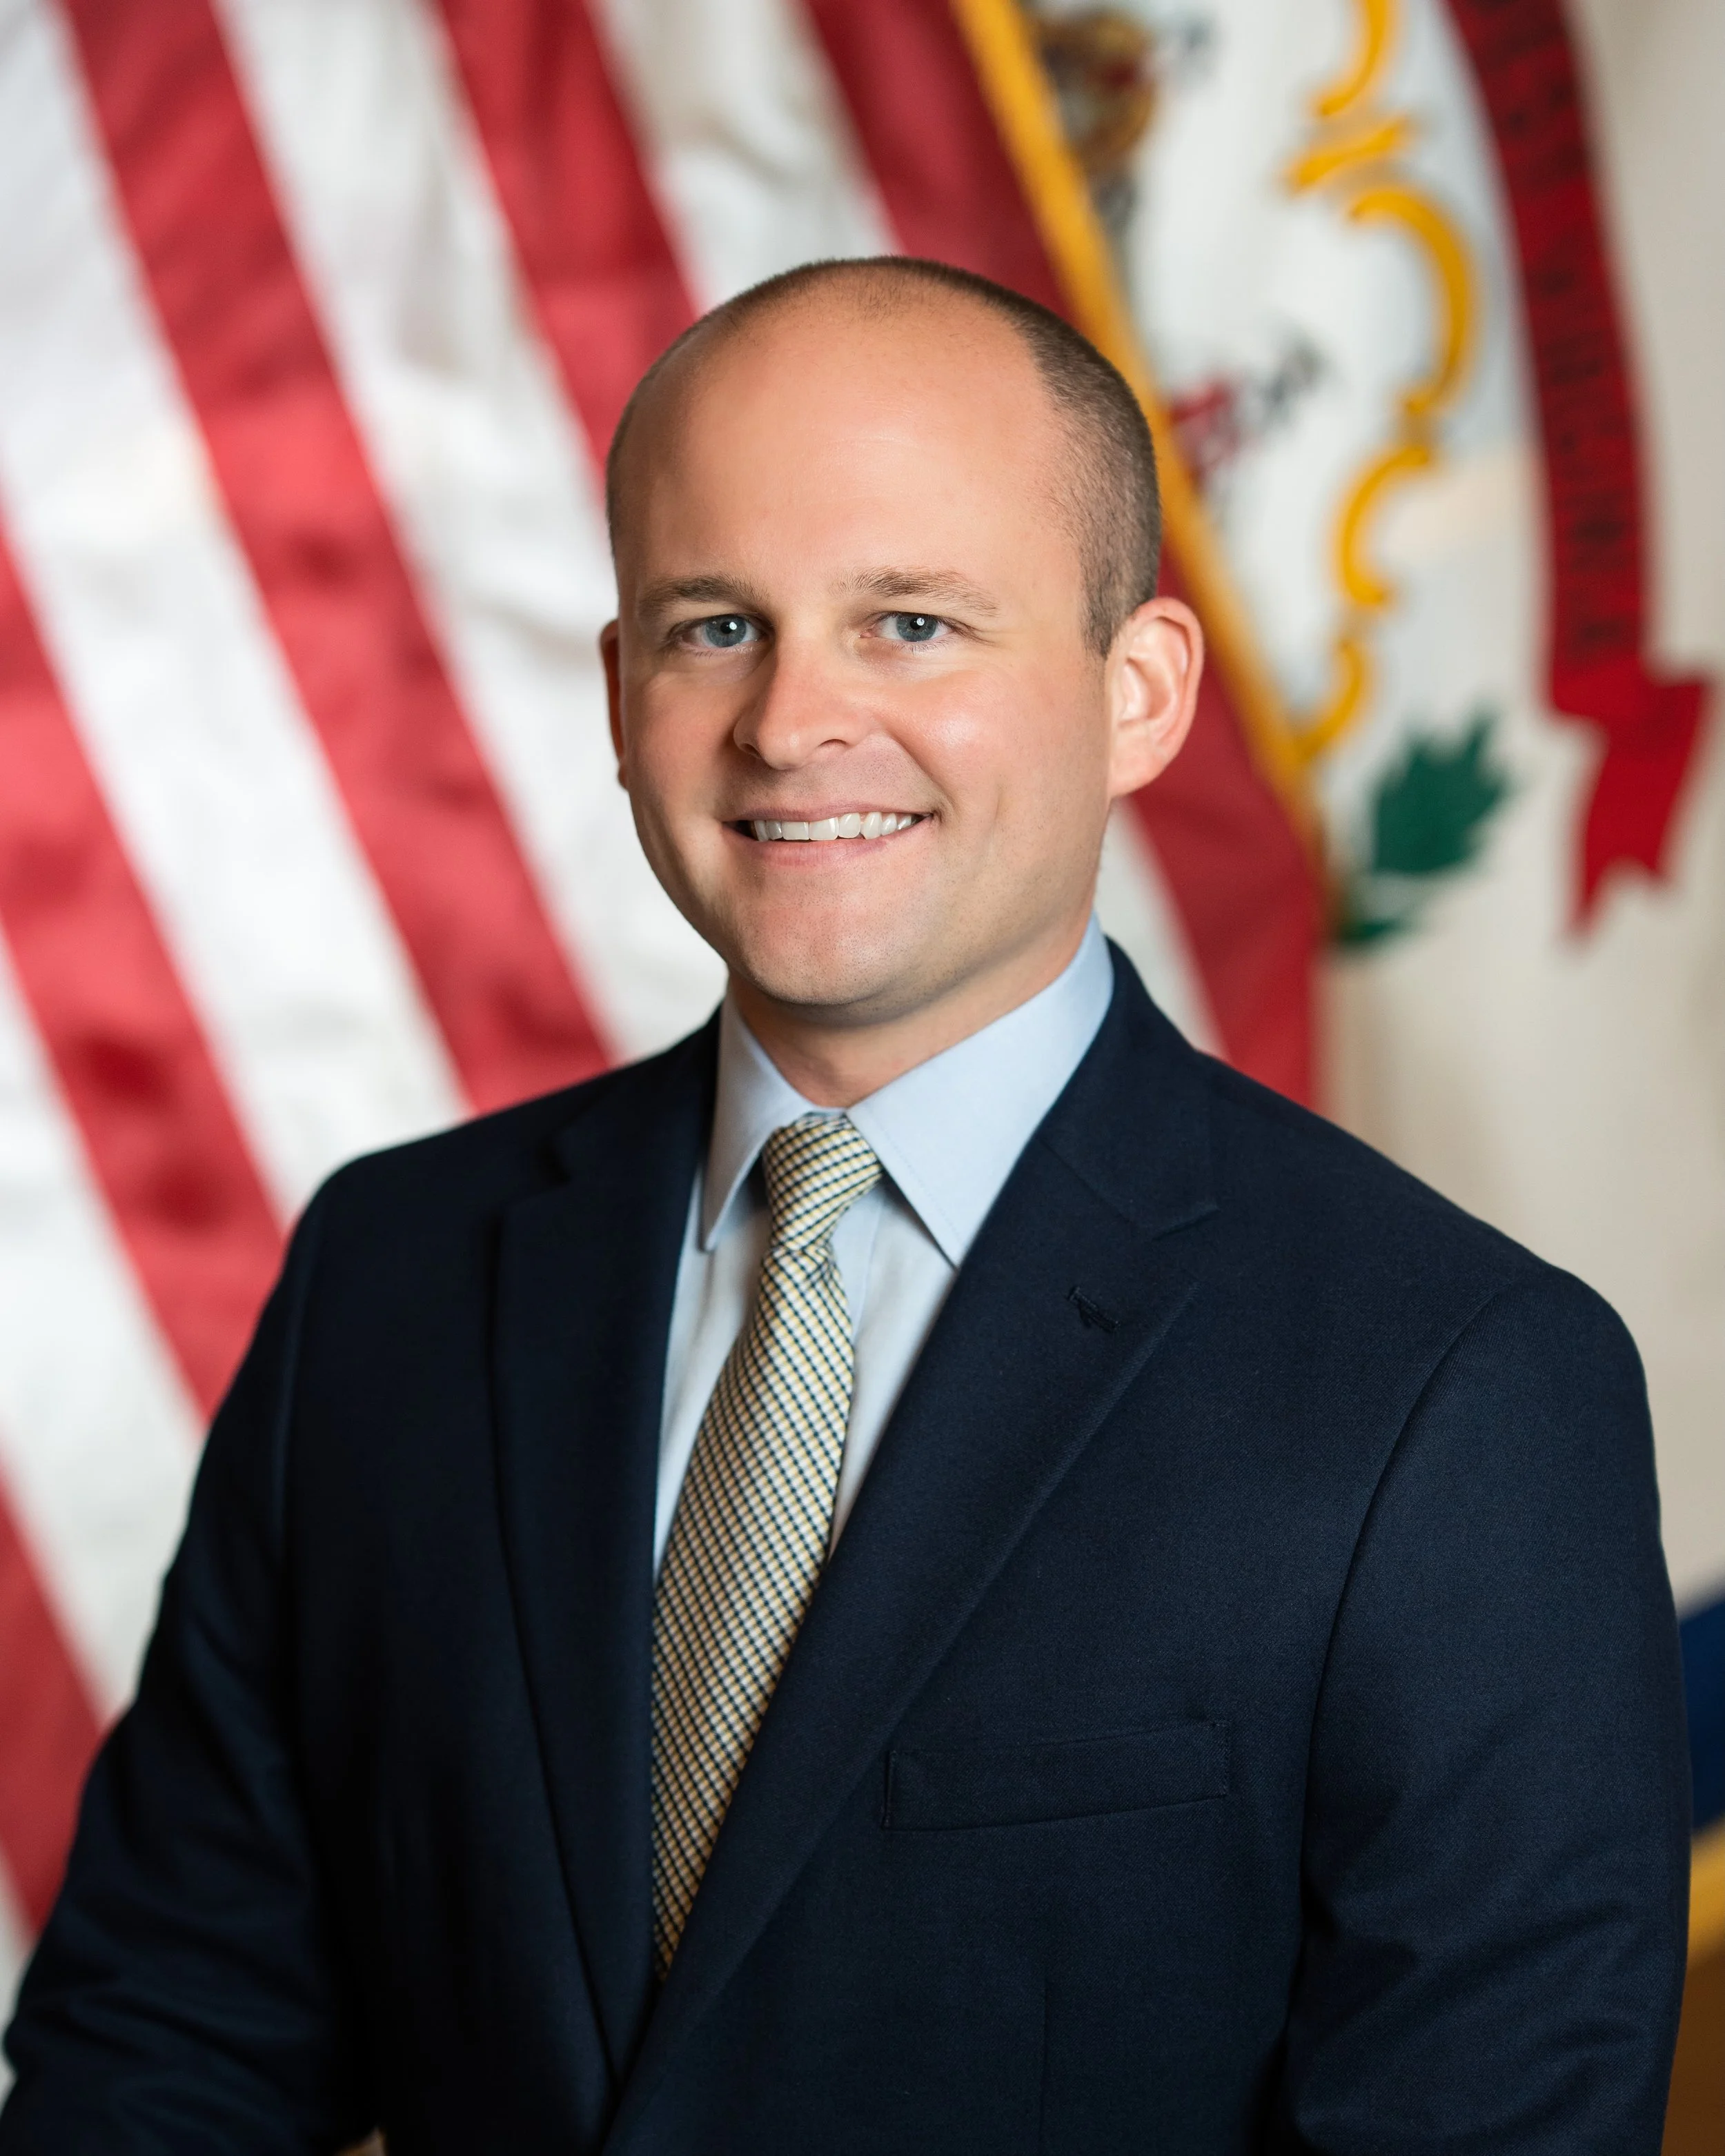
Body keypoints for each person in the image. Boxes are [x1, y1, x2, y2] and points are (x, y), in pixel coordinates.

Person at [0, 259, 1690, 2154]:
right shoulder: (389, 1283)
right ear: (621, 686)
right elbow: (164, 2039)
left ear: (1135, 693)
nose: (794, 719)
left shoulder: (1450, 1389)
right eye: (716, 623)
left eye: (909, 621)